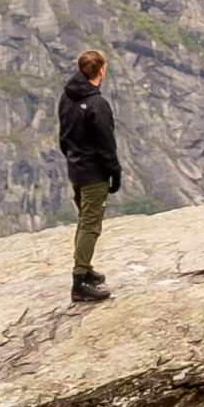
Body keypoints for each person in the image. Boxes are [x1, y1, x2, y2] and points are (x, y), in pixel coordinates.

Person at [58, 47, 123, 304]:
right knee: (90, 224)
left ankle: (84, 269)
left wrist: (74, 158)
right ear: (101, 70)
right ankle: (80, 281)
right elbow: (107, 145)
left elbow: (63, 136)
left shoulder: (66, 97)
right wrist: (114, 173)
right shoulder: (97, 105)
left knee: (83, 219)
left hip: (75, 169)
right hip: (94, 174)